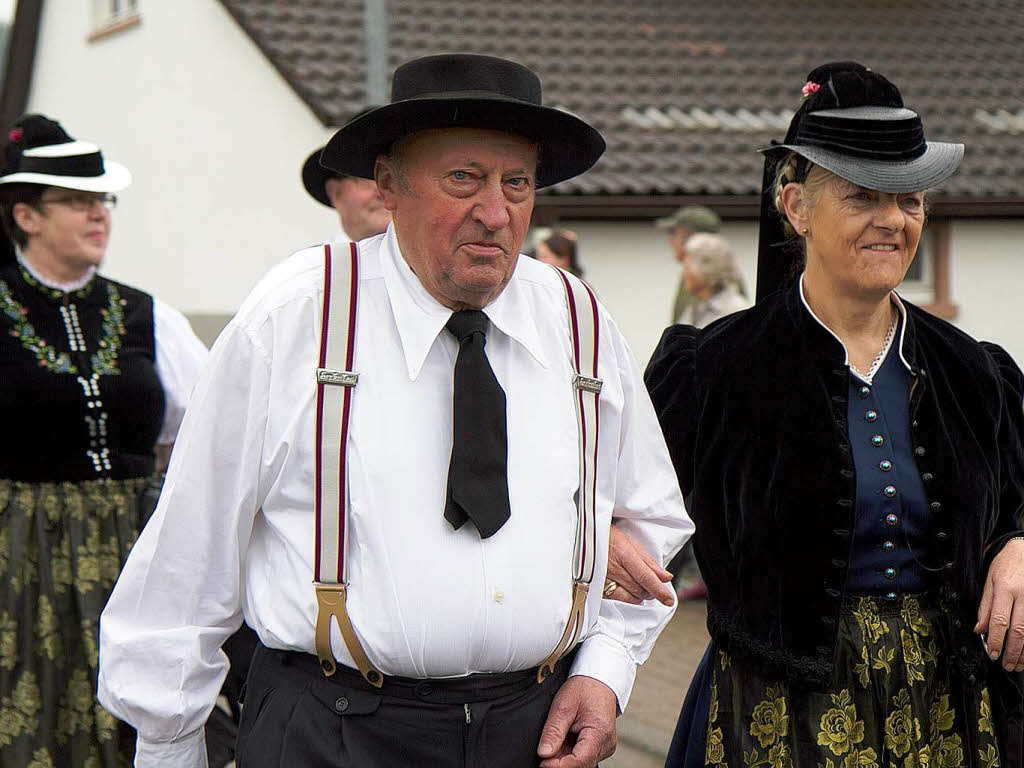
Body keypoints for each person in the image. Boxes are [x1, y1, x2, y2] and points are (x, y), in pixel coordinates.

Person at [97, 53, 692, 768]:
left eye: (517, 183)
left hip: (531, 734)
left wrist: (605, 667)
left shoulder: (579, 321)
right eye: (463, 179)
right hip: (331, 733)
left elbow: (651, 518)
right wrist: (168, 744)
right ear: (388, 185)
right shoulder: (294, 319)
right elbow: (188, 561)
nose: (496, 213)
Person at [612, 62, 1024, 766]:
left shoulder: (974, 371)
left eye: (910, 201)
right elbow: (623, 514)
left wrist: (1020, 542)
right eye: (863, 197)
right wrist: (611, 534)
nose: (893, 220)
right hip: (778, 719)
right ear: (796, 207)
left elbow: (1015, 501)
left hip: (950, 713)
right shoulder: (713, 370)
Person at [0, 115, 207, 767]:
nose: (99, 215)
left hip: (133, 544)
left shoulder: (149, 315)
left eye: (103, 201)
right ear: (28, 217)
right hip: (16, 549)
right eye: (78, 202)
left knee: (130, 718)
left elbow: (205, 432)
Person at [301, 107, 392, 243]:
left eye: (392, 178)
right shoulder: (318, 264)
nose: (382, 192)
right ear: (335, 193)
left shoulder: (431, 263)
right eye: (366, 179)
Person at [655, 205, 723, 324]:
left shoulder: (716, 277)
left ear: (692, 238)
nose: (670, 239)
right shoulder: (693, 274)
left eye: (674, 233)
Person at [675, 233, 747, 330]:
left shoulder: (736, 312)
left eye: (687, 267)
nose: (683, 273)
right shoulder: (694, 308)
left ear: (706, 269)